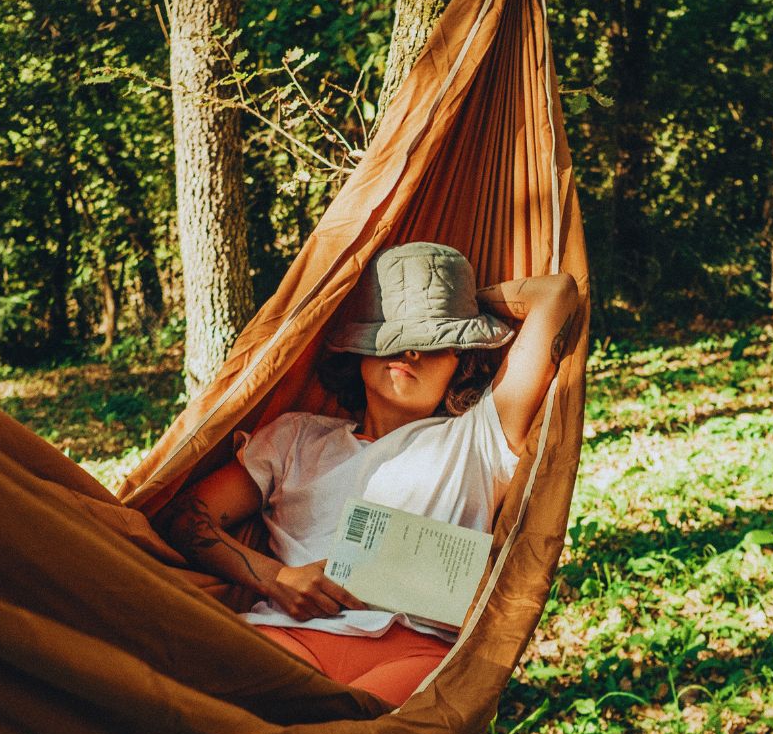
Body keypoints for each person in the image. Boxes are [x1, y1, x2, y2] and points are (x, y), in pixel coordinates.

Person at [162, 241, 577, 707]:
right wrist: (275, 577)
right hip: (287, 636)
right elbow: (185, 517)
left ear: (462, 359)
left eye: (433, 340)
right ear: (359, 352)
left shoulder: (480, 436)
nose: (410, 351)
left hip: (415, 654)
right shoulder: (295, 438)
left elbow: (556, 294)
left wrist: (460, 303)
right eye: (392, 334)